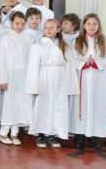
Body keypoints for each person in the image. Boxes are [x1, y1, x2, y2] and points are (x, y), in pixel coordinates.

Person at [25, 19, 79, 148]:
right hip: (44, 77)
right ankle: (41, 134)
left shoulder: (64, 46)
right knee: (43, 106)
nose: (48, 30)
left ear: (58, 29)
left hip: (60, 79)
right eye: (46, 27)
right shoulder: (38, 46)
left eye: (52, 27)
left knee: (59, 106)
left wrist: (70, 85)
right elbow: (33, 67)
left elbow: (69, 66)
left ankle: (55, 134)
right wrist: (34, 85)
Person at [69, 14, 106, 149]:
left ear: (98, 26)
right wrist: (84, 64)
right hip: (82, 77)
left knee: (97, 105)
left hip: (99, 79)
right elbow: (71, 60)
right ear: (84, 25)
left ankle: (94, 136)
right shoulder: (76, 41)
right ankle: (80, 135)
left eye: (94, 24)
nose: (91, 26)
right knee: (81, 106)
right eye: (89, 23)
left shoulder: (105, 41)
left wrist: (96, 63)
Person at [0, 12, 33, 146]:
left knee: (20, 103)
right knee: (9, 104)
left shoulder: (27, 38)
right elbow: (2, 60)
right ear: (11, 23)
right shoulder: (5, 38)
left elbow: (30, 59)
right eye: (17, 23)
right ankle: (3, 132)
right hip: (10, 75)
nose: (20, 26)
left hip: (23, 75)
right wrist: (3, 79)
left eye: (23, 24)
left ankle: (14, 133)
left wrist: (30, 78)